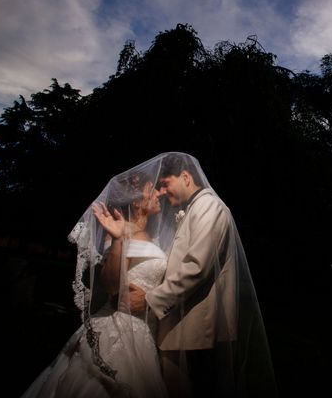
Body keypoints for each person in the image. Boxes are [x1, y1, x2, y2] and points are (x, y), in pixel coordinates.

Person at [127, 152, 278, 398]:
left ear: (186, 177)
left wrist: (148, 300)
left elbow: (196, 267)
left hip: (196, 330)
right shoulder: (197, 207)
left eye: (165, 183)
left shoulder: (209, 206)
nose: (162, 191)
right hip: (184, 323)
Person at [20, 161, 169, 398]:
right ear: (136, 200)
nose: (160, 193)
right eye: (153, 189)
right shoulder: (119, 229)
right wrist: (120, 239)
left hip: (146, 331)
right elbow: (111, 285)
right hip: (116, 328)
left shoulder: (156, 237)